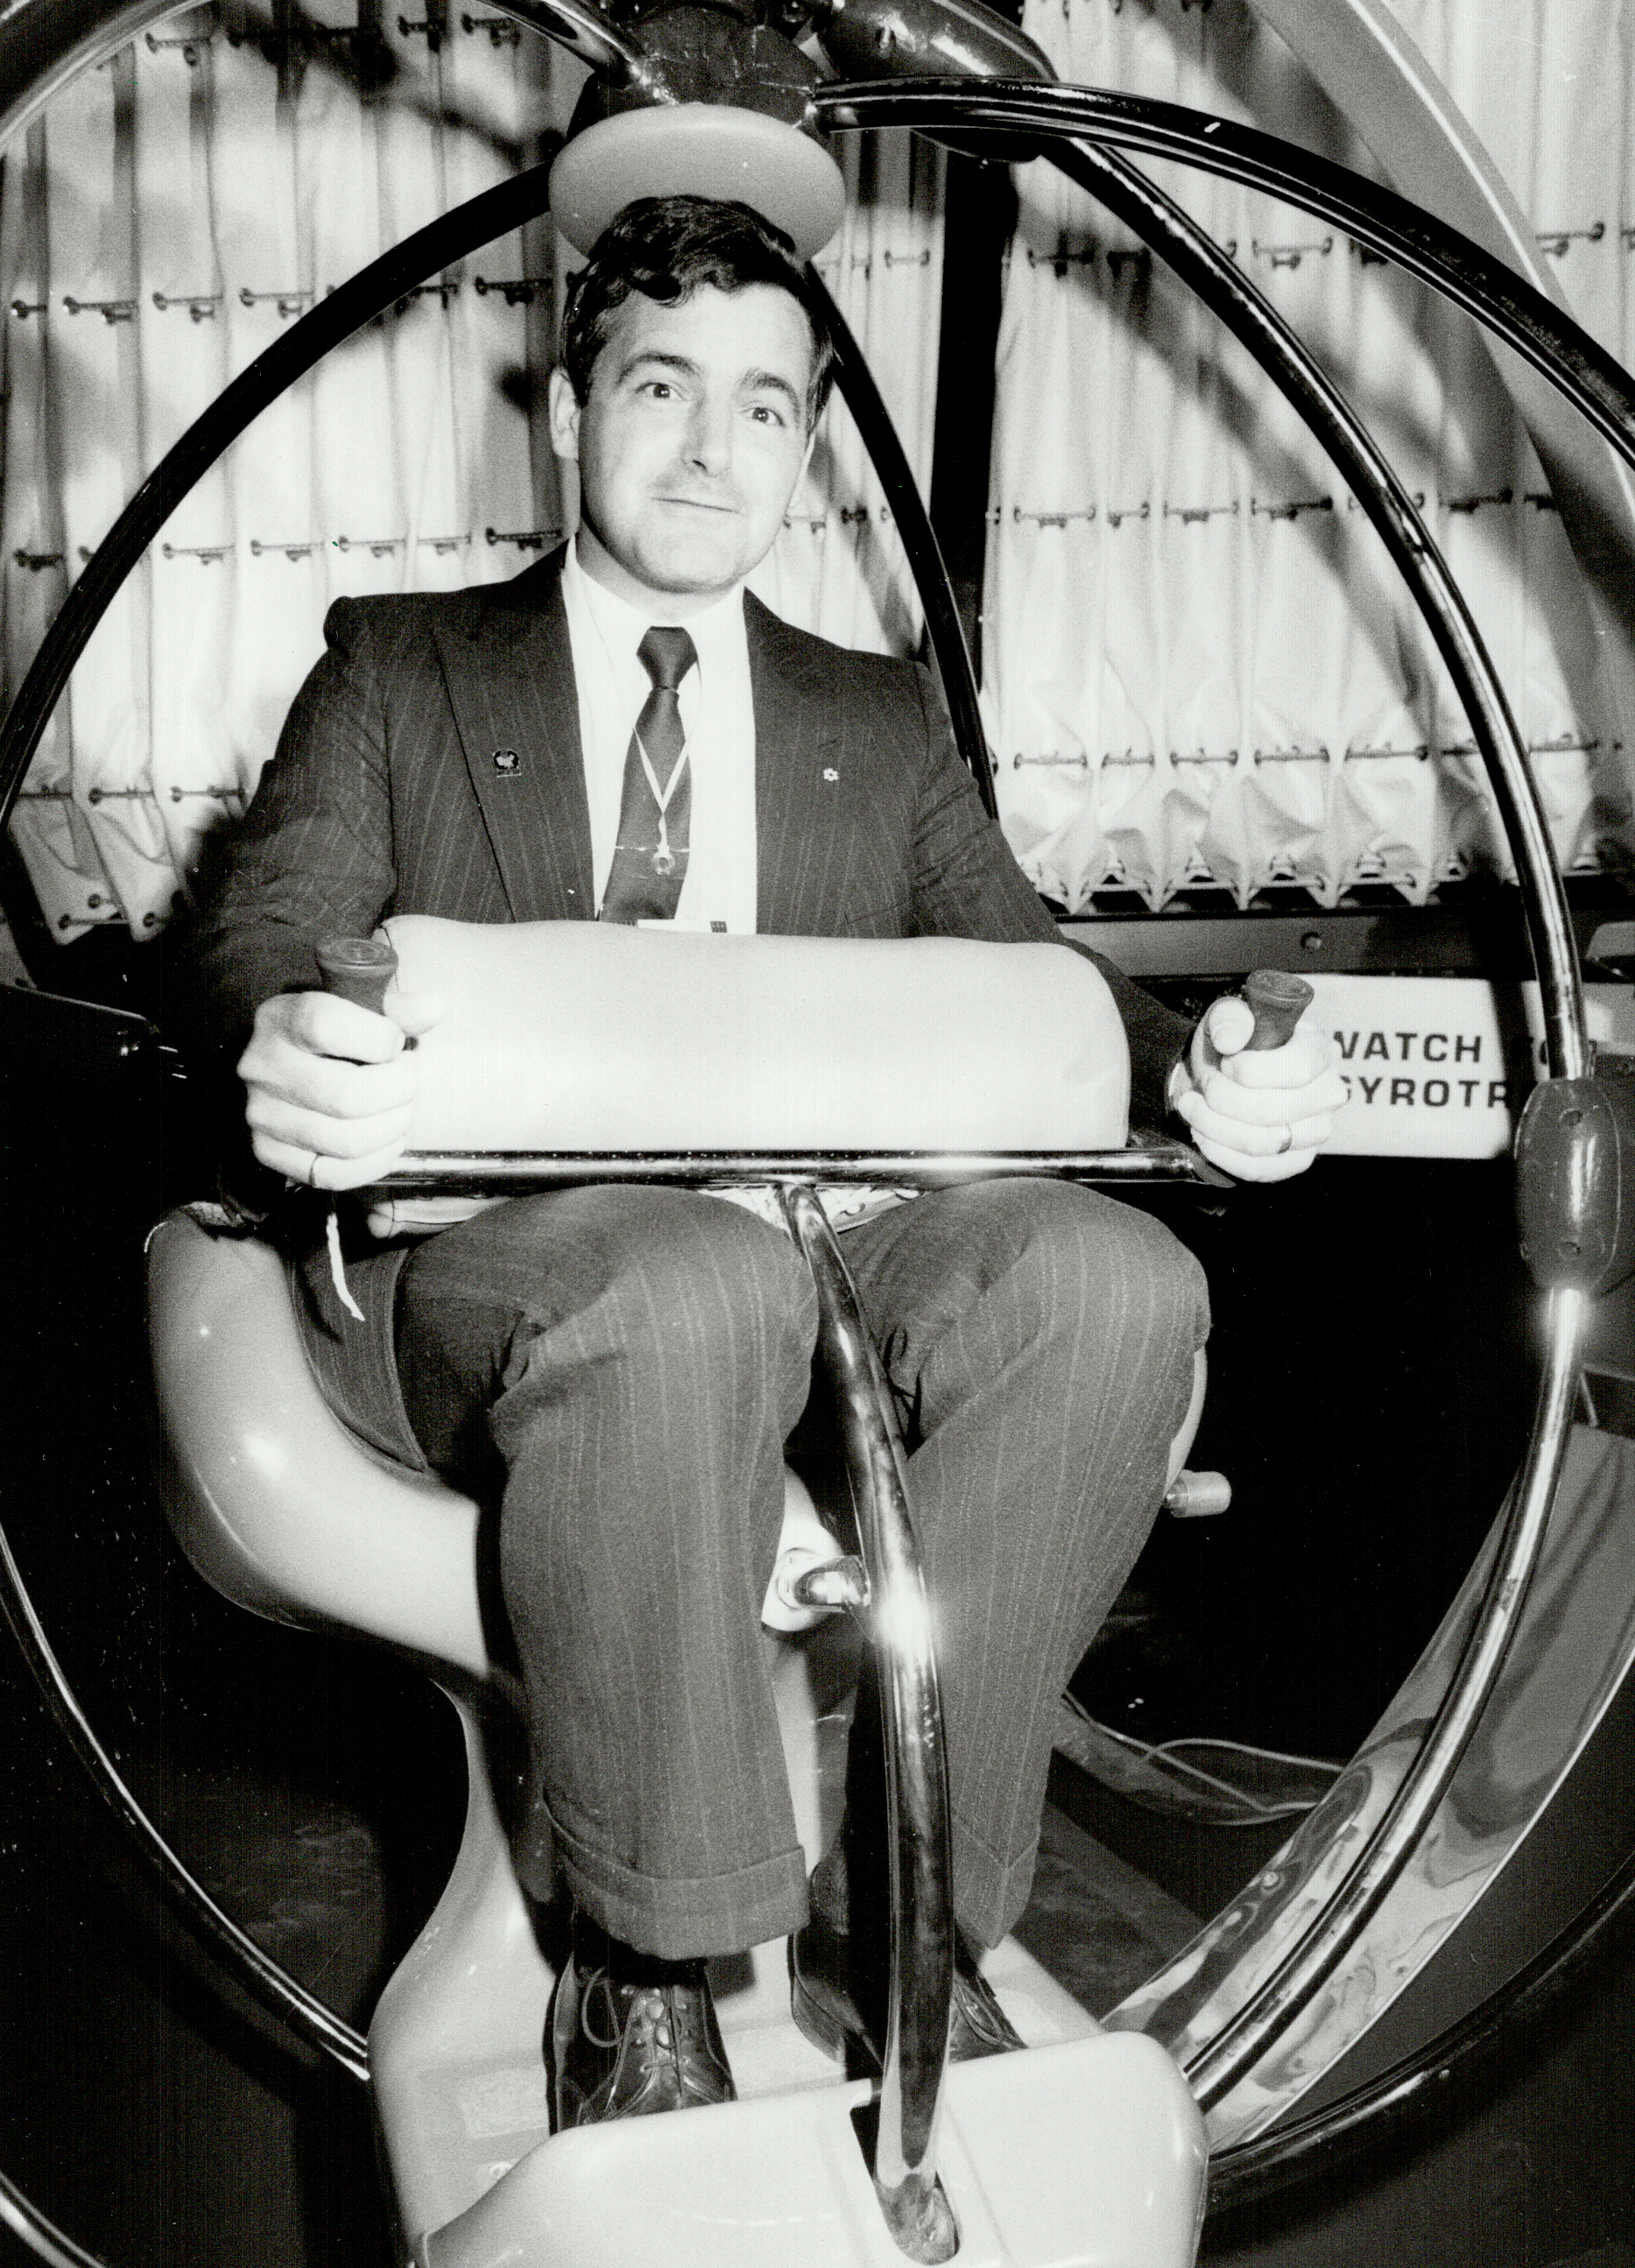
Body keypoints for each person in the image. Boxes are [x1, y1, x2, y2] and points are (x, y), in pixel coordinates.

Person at [196, 194, 1345, 2131]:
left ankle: (910, 1917)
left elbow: (1038, 976)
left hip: (821, 1244)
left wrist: (1197, 1063)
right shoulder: (400, 668)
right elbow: (267, 923)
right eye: (661, 388)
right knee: (688, 1283)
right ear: (568, 421)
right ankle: (644, 1967)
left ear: (806, 448)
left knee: (1118, 1282)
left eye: (762, 407)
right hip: (505, 1256)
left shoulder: (872, 721)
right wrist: (292, 1040)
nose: (713, 449)